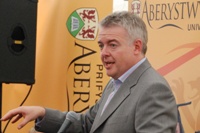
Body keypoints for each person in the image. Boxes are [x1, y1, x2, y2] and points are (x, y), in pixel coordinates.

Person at [1, 11, 177, 133]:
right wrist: (42, 113)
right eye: (101, 45)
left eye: (113, 45)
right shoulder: (115, 83)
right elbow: (88, 123)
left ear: (136, 47)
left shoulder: (153, 89)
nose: (103, 53)